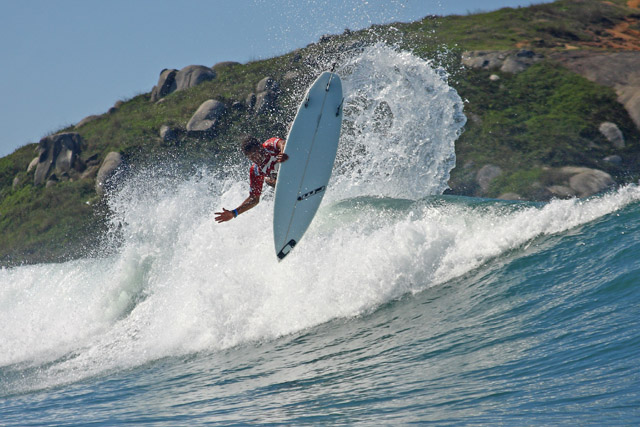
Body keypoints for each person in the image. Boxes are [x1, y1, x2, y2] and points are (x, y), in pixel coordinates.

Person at [215, 135, 288, 223]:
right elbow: (254, 199)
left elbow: (282, 143)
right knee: (268, 180)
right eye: (250, 157)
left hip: (293, 161)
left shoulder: (269, 145)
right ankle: (289, 190)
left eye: (254, 154)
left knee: (287, 151)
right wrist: (233, 213)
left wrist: (283, 153)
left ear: (260, 147)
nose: (254, 159)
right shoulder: (256, 170)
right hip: (286, 181)